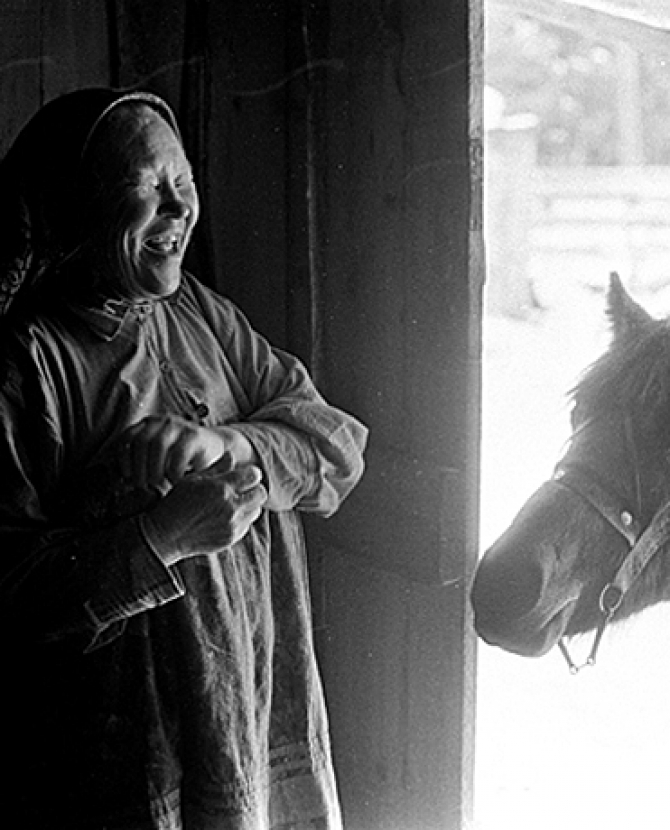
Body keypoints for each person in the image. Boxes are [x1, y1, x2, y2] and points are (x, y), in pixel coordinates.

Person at [0, 87, 367, 830]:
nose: (177, 210)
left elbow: (335, 445)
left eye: (184, 181)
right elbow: (4, 589)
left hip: (251, 699)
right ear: (76, 205)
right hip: (119, 751)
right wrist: (161, 536)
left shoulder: (198, 312)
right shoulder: (26, 362)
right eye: (145, 188)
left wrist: (228, 443)